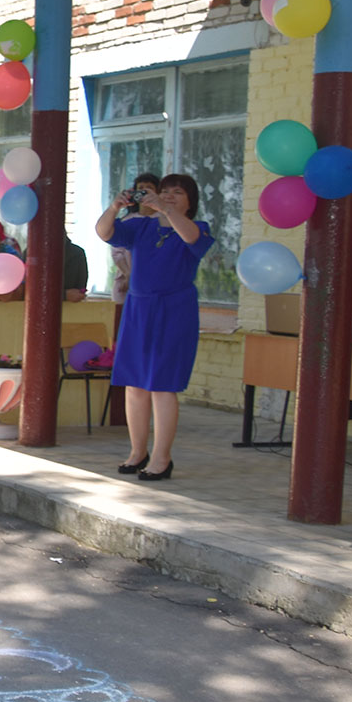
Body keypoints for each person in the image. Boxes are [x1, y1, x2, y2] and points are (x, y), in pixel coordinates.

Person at [97, 173, 212, 482]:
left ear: (190, 202)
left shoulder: (198, 228)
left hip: (174, 310)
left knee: (162, 385)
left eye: (178, 193)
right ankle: (138, 452)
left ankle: (162, 457)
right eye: (165, 191)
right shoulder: (141, 227)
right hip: (138, 308)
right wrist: (114, 207)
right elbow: (104, 232)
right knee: (134, 384)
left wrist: (165, 209)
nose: (170, 196)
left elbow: (191, 238)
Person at [110, 174, 159, 307]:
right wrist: (128, 274)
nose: (144, 191)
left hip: (154, 283)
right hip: (126, 282)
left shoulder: (164, 220)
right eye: (140, 188)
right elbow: (117, 253)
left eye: (149, 188)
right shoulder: (127, 221)